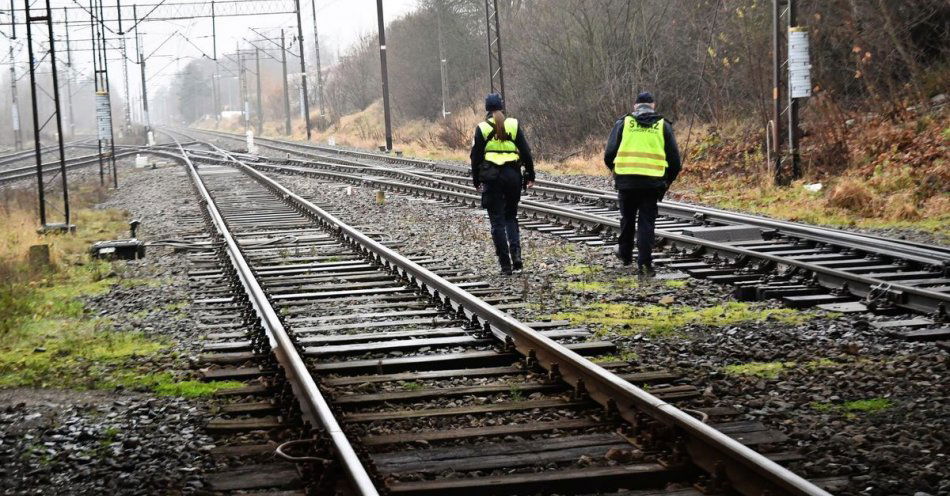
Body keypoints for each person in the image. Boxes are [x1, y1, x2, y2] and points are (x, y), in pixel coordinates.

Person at [603, 92, 682, 275]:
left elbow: (609, 154)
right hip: (652, 183)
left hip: (627, 181)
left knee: (627, 218)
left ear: (635, 106)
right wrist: (666, 181)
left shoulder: (624, 123)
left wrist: (616, 172)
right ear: (653, 105)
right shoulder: (663, 126)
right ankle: (645, 263)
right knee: (647, 222)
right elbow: (675, 162)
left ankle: (625, 255)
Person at [470, 93, 536, 275]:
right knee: (510, 217)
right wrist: (531, 174)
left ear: (486, 110)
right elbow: (526, 151)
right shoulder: (513, 125)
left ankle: (505, 265)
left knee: (497, 221)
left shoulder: (482, 128)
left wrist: (476, 180)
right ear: (501, 107)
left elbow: (475, 157)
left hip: (492, 178)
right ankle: (517, 256)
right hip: (513, 176)